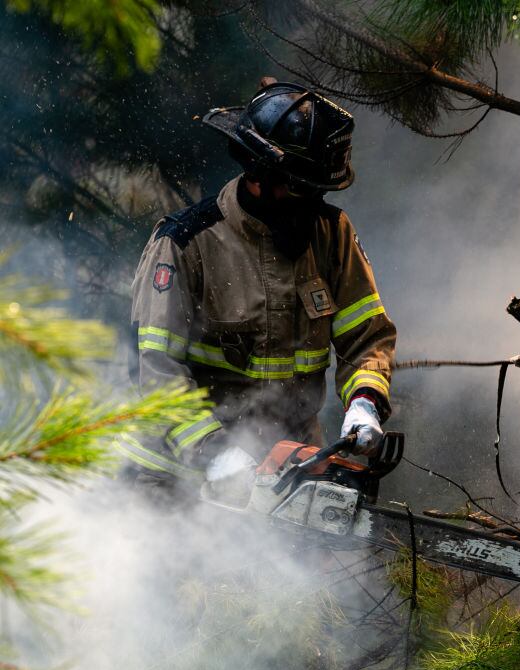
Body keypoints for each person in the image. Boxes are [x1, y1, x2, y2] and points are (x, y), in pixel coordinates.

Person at [118, 79, 396, 493]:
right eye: (301, 186)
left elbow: (367, 337)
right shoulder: (184, 243)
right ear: (259, 172)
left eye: (318, 188)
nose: (312, 201)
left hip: (286, 473)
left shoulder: (331, 233)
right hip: (175, 476)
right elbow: (159, 371)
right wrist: (214, 450)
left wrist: (365, 402)